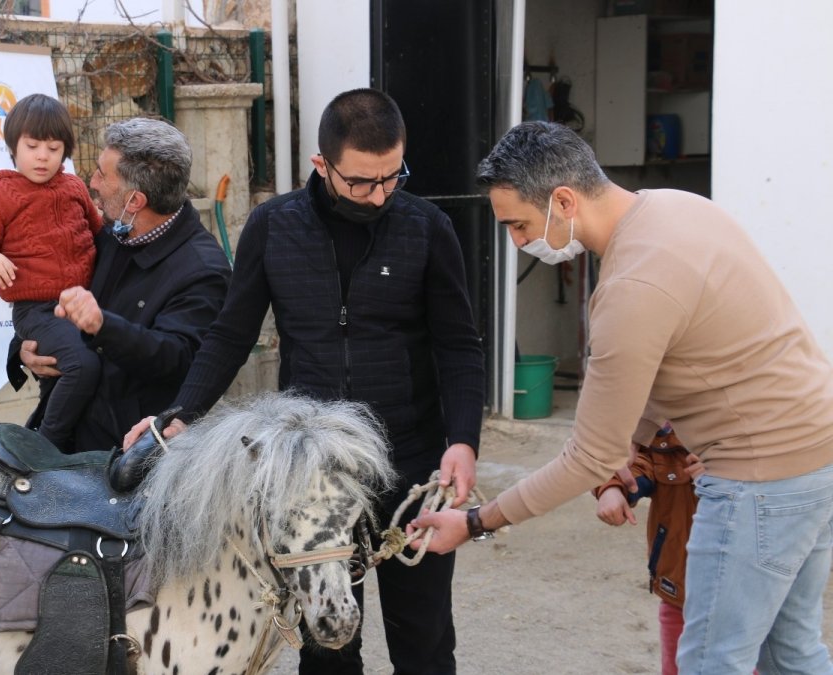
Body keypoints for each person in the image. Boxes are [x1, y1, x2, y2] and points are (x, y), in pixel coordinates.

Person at [410, 120, 833, 674]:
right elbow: (670, 363)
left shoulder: (632, 286)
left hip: (759, 476)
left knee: (712, 661)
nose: (516, 242)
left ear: (564, 201)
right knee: (792, 650)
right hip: (816, 450)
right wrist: (630, 440)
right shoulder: (677, 207)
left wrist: (475, 522)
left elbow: (588, 458)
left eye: (518, 224)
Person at [126, 88, 487, 674]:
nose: (381, 194)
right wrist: (181, 412)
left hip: (410, 460)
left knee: (423, 641)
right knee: (326, 649)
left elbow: (459, 346)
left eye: (393, 177)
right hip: (310, 475)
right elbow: (231, 332)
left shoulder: (428, 228)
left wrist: (464, 440)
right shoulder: (273, 226)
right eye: (362, 182)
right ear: (322, 164)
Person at [7, 117, 231, 452]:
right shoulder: (108, 231)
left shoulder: (203, 270)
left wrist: (102, 326)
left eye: (102, 174)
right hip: (63, 440)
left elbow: (178, 359)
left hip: (128, 459)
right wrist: (24, 348)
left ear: (134, 201)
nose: (92, 182)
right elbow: (48, 293)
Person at [0, 94, 104, 450]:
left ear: (65, 150)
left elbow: (99, 232)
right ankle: (44, 446)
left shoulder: (74, 187)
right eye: (32, 146)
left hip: (81, 304)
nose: (42, 156)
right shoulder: (0, 192)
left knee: (68, 375)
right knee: (82, 365)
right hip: (37, 311)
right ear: (13, 146)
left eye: (53, 148)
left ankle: (56, 444)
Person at [595, 423, 702, 675]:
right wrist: (612, 488)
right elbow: (639, 459)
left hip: (745, 592)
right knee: (677, 666)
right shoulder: (664, 427)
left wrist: (729, 471)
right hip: (680, 588)